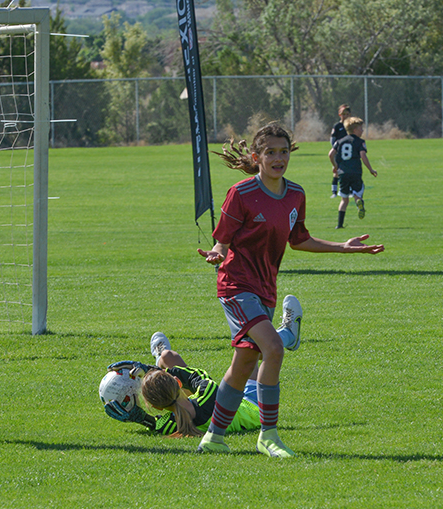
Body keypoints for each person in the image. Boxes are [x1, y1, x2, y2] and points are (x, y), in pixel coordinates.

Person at [199, 122, 384, 458]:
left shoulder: (295, 194)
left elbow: (299, 240)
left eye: (284, 151)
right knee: (274, 348)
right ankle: (268, 436)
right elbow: (222, 241)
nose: (278, 158)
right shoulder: (240, 193)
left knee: (243, 364)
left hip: (265, 289)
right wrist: (216, 254)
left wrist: (344, 247)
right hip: (236, 286)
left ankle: (213, 437)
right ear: (257, 157)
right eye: (270, 152)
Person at [103, 333, 261, 437]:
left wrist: (139, 418)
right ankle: (284, 335)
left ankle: (161, 357)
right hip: (254, 406)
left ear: (156, 407)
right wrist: (148, 369)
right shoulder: (209, 394)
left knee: (166, 356)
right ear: (177, 382)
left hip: (191, 405)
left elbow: (152, 423)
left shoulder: (167, 426)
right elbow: (192, 375)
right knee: (247, 345)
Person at [329, 116, 378, 228]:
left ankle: (339, 225)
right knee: (357, 192)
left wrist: (335, 166)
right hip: (355, 172)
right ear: (355, 130)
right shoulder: (360, 142)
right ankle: (358, 202)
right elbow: (363, 155)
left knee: (344, 199)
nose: (362, 131)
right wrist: (371, 169)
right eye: (361, 128)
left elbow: (331, 154)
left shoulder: (339, 141)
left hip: (342, 173)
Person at [328, 104, 351, 197]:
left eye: (346, 114)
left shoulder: (351, 126)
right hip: (338, 152)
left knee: (348, 172)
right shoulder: (337, 126)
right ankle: (334, 192)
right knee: (337, 171)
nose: (345, 116)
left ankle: (347, 190)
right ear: (339, 114)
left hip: (349, 153)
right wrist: (335, 148)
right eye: (343, 114)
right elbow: (332, 139)